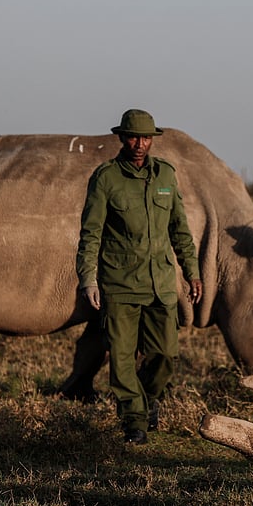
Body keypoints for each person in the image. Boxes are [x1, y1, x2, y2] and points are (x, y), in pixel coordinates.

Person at [77, 108, 203, 444]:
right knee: (121, 358)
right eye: (133, 136)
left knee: (165, 356)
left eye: (146, 137)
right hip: (119, 285)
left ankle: (147, 399)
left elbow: (180, 229)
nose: (139, 143)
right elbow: (91, 233)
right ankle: (134, 420)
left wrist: (192, 272)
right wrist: (88, 279)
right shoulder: (106, 178)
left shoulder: (165, 176)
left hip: (160, 284)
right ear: (121, 137)